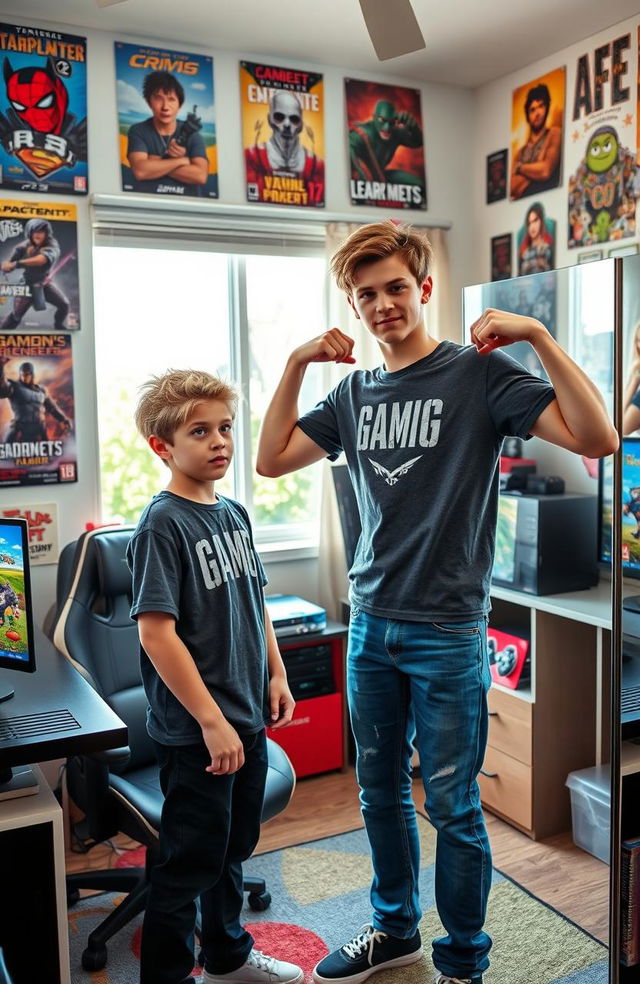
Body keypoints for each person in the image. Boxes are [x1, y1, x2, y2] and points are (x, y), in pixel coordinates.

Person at [256, 220, 618, 984]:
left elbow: (601, 435)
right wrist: (294, 361)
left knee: (453, 806)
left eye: (395, 288)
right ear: (353, 308)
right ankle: (395, 932)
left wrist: (540, 337)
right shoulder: (353, 392)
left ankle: (462, 964)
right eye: (366, 295)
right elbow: (271, 457)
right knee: (378, 792)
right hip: (371, 622)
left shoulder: (479, 375)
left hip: (449, 629)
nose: (383, 304)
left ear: (423, 289)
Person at [127, 369, 302, 984]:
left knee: (231, 847)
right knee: (187, 865)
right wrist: (211, 722)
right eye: (200, 431)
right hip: (201, 733)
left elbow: (257, 607)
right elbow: (156, 633)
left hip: (247, 717)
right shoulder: (162, 525)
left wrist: (275, 675)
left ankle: (226, 957)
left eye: (225, 428)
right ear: (163, 446)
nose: (219, 441)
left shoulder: (234, 514)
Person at [127, 70, 208, 194]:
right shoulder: (138, 130)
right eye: (159, 99)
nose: (165, 107)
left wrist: (155, 162)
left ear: (179, 105)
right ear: (149, 102)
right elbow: (141, 171)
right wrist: (182, 161)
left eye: (171, 99)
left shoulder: (192, 133)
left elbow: (200, 176)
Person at [245, 89, 324, 190]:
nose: (287, 124)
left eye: (294, 119)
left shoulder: (316, 165)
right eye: (279, 117)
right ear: (270, 120)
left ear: (301, 125)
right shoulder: (252, 156)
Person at [0, 218, 69, 331]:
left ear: (47, 233)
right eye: (36, 232)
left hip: (43, 284)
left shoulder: (51, 244)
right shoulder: (24, 246)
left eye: (42, 232)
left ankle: (58, 325)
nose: (39, 235)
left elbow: (41, 260)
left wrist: (16, 264)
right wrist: (7, 265)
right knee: (16, 316)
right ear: (30, 233)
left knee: (64, 305)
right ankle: (3, 333)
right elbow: (10, 263)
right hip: (27, 284)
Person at [349, 99, 423, 188]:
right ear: (374, 117)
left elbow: (418, 142)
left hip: (382, 177)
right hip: (362, 181)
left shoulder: (395, 132)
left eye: (391, 122)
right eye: (382, 120)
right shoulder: (361, 133)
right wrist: (364, 180)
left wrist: (413, 127)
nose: (387, 128)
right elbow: (349, 152)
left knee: (419, 184)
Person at [0, 356, 71, 442]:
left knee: (45, 452)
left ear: (32, 375)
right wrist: (1, 367)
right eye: (23, 374)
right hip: (20, 426)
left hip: (39, 427)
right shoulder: (14, 387)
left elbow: (52, 408)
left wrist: (63, 419)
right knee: (9, 451)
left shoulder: (41, 390)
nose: (25, 377)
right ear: (20, 374)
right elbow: (2, 390)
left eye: (27, 374)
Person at [510, 83, 561, 200]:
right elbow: (512, 187)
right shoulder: (520, 152)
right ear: (527, 116)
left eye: (541, 106)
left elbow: (545, 171)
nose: (537, 113)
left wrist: (519, 168)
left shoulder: (554, 133)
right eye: (532, 110)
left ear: (547, 107)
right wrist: (535, 170)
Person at [517, 202, 554, 276]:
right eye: (529, 223)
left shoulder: (548, 246)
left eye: (535, 221)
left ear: (541, 221)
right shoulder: (523, 250)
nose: (532, 227)